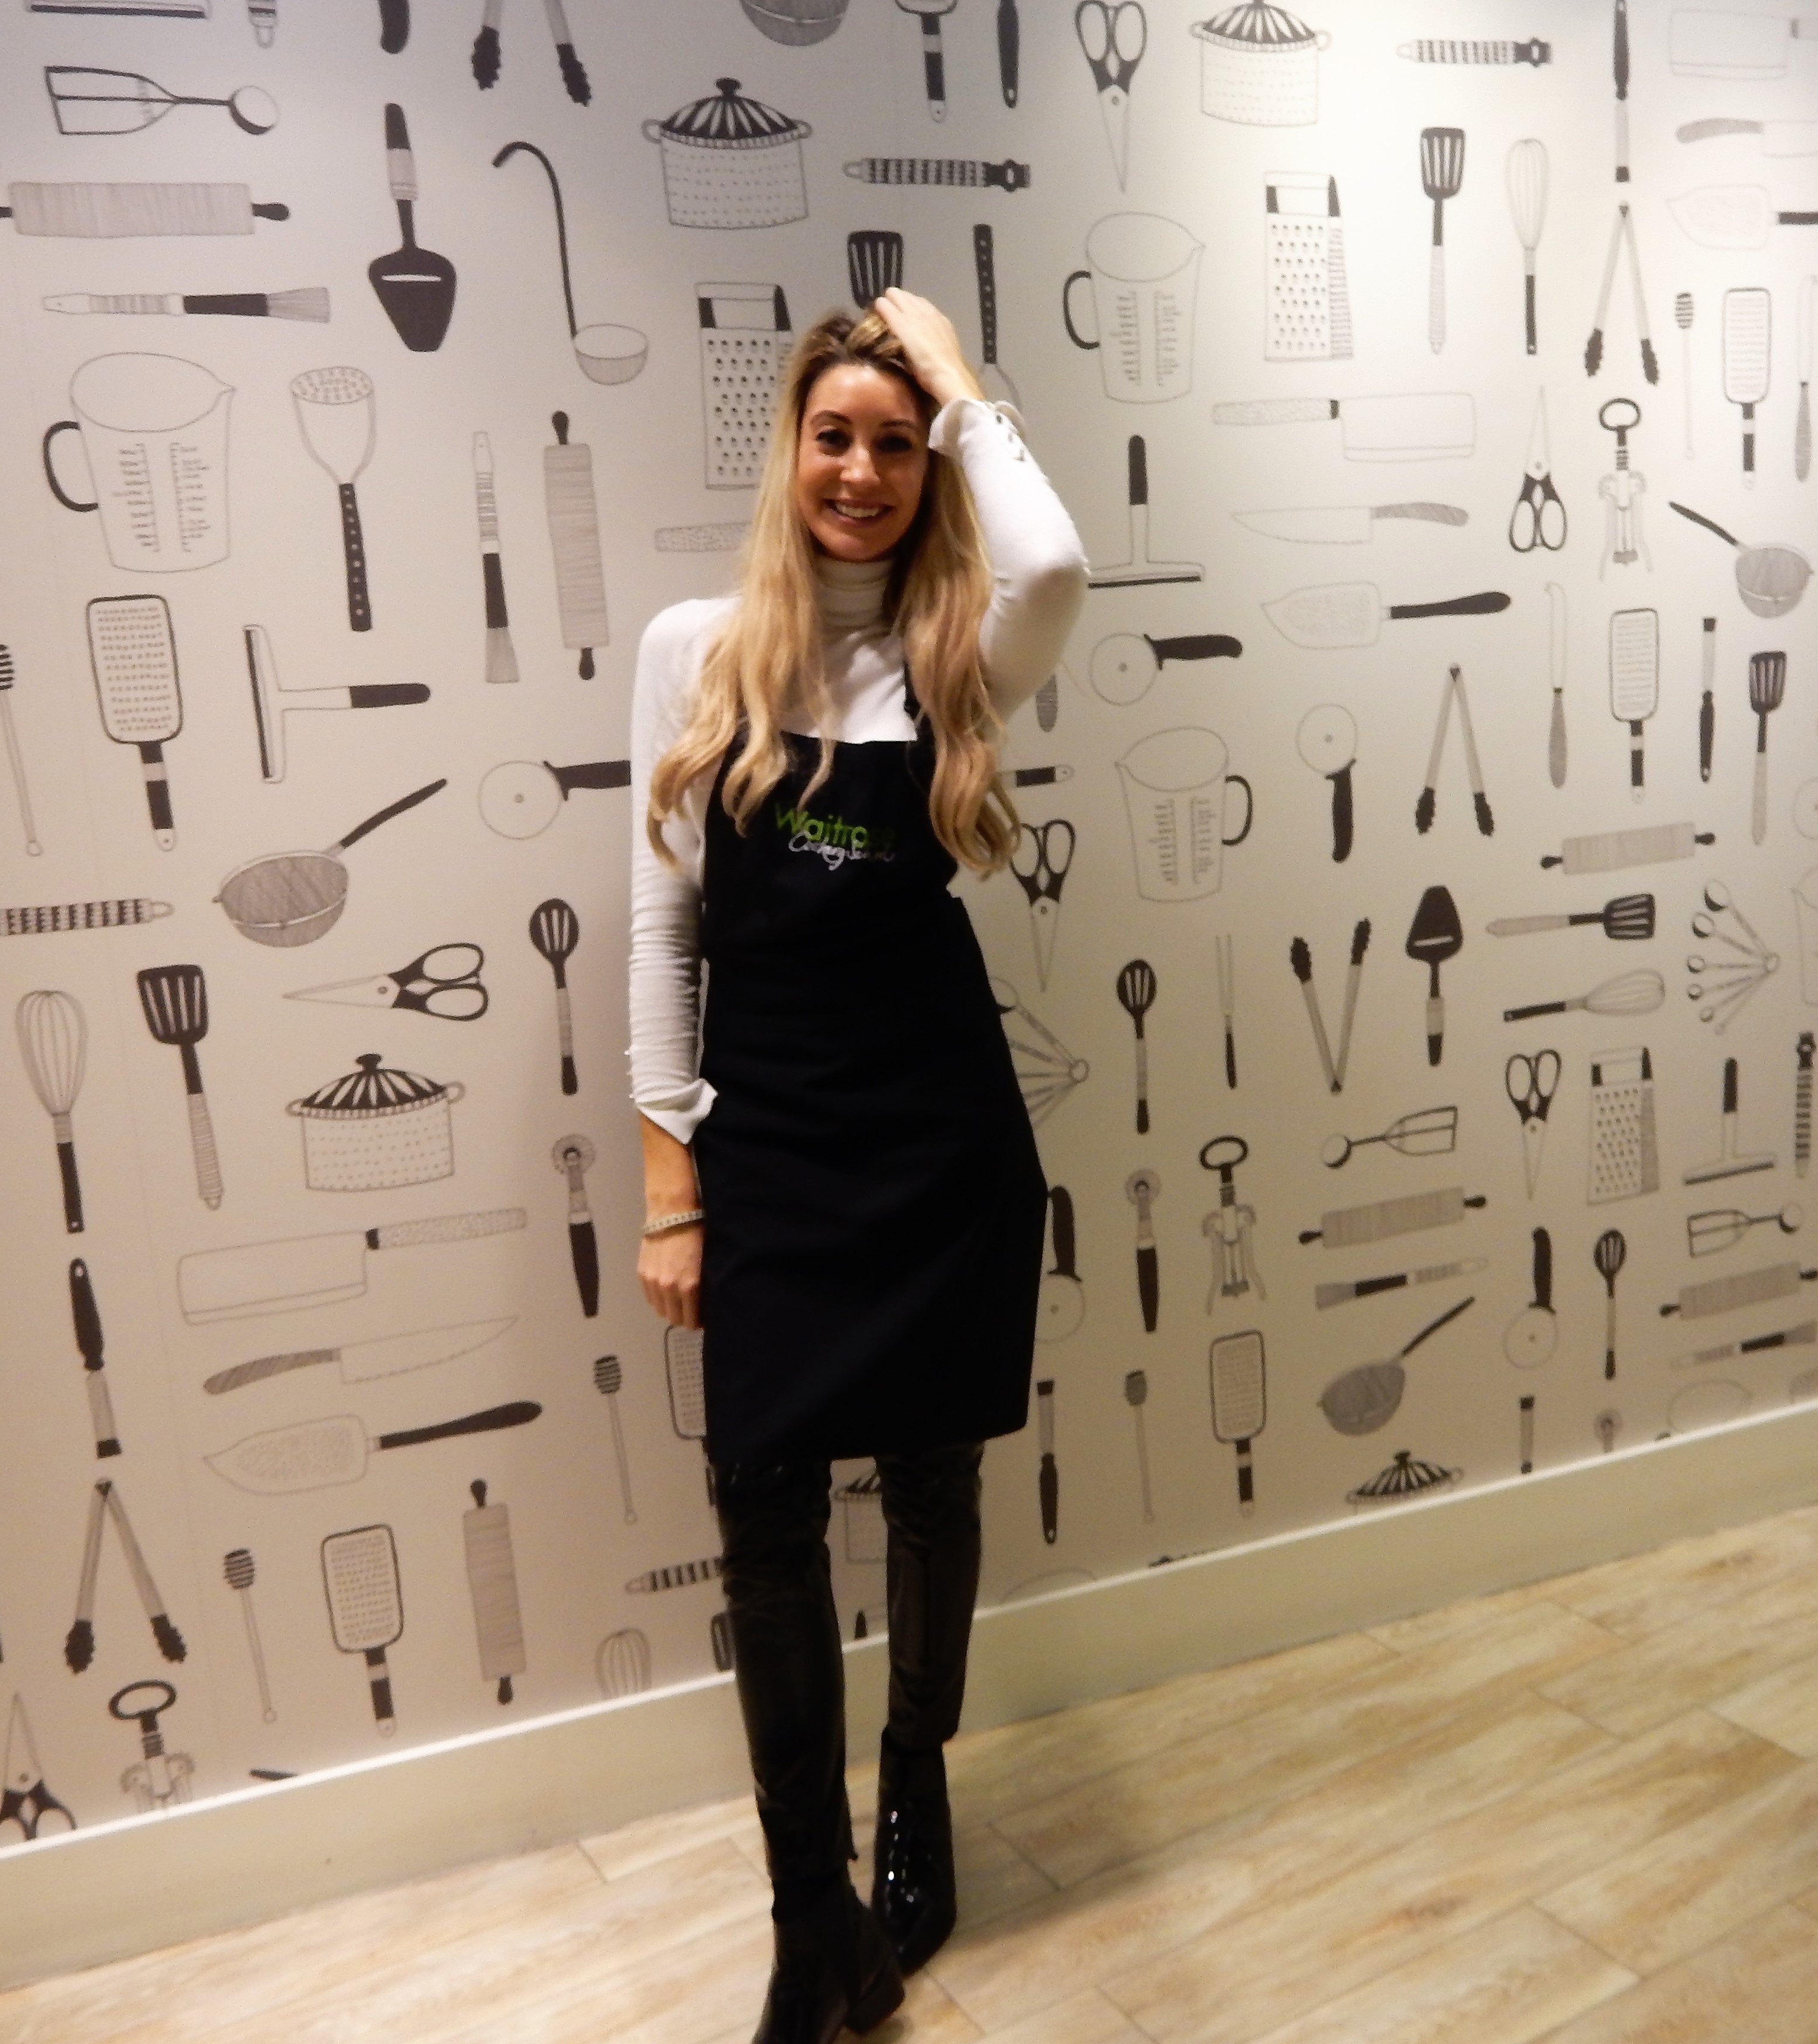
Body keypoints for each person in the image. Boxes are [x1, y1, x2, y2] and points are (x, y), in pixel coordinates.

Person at [629, 292, 1085, 2043]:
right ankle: (808, 1914)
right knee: (762, 1511)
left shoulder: (958, 651)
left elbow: (1058, 567)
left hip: (938, 1140)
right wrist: (673, 1192)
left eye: (896, 444)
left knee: (932, 1482)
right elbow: (659, 932)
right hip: (772, 1147)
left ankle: (918, 1793)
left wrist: (960, 384)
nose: (864, 472)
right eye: (835, 436)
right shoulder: (696, 652)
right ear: (791, 453)